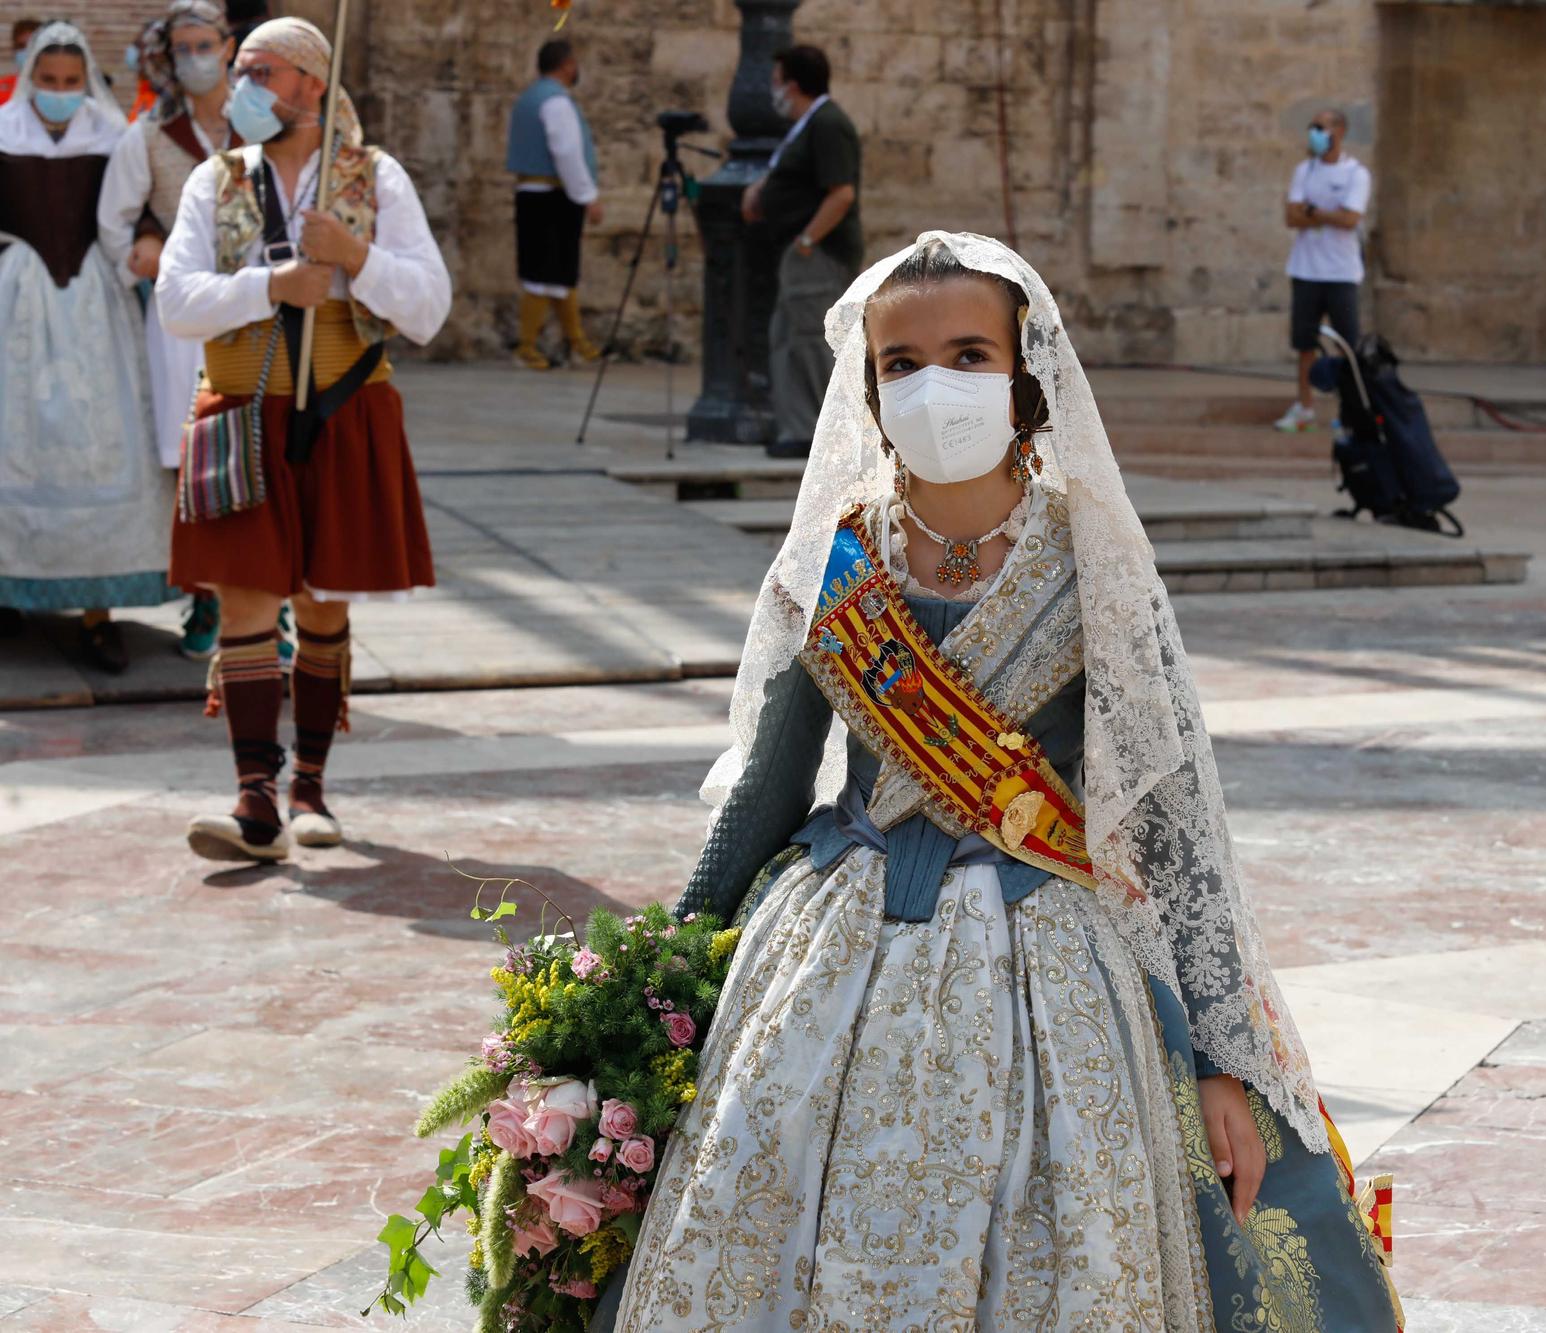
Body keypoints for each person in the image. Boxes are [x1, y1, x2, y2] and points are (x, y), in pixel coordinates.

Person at [596, 233, 1401, 1331]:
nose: (938, 386)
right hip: (831, 949)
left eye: (970, 354)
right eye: (903, 363)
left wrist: (1225, 1065)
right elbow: (767, 795)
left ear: (1026, 375)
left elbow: (1177, 833)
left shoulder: (1094, 564)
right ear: (870, 391)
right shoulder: (834, 563)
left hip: (1043, 958)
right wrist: (643, 993)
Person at [157, 16, 450, 861]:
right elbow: (177, 301)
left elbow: (429, 307)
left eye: (262, 71)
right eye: (239, 69)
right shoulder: (213, 183)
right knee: (244, 603)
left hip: (343, 413)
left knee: (323, 602)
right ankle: (254, 800)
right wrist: (271, 283)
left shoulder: (374, 176)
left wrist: (354, 254)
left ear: (312, 85)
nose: (241, 83)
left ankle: (310, 788)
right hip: (241, 413)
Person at [0, 21, 172, 671]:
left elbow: (142, 203)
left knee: (99, 448)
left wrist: (149, 238)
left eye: (71, 82)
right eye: (48, 81)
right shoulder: (2, 132)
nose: (60, 92)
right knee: (13, 448)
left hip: (95, 305)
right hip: (14, 303)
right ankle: (9, 588)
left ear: (87, 81)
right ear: (29, 77)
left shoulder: (115, 137)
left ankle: (99, 613)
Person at [98, 0, 241, 661]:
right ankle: (208, 594)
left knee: (266, 453)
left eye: (204, 43)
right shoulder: (152, 133)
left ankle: (269, 597)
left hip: (260, 310)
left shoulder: (267, 126)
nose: (194, 58)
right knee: (193, 461)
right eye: (182, 48)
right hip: (182, 323)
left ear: (230, 44)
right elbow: (115, 217)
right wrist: (142, 250)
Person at [744, 43, 861, 459]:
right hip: (799, 253)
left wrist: (808, 241)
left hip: (817, 254)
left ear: (792, 85)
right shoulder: (807, 126)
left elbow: (841, 193)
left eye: (776, 82)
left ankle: (822, 434)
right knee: (788, 338)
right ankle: (798, 429)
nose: (773, 92)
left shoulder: (829, 124)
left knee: (811, 341)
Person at [507, 37, 601, 370]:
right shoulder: (556, 102)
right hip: (552, 196)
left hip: (535, 194)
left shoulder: (530, 99)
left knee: (559, 270)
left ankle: (576, 341)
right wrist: (588, 196)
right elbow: (567, 152)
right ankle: (527, 345)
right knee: (545, 269)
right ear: (565, 65)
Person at [1275, 107, 1371, 433]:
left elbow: (1351, 219)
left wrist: (1314, 211)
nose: (1314, 132)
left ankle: (1349, 412)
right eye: (1312, 126)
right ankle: (1304, 408)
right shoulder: (1305, 170)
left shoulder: (1356, 174)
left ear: (1339, 131)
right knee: (1304, 343)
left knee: (1347, 345)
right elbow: (1292, 216)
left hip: (1342, 273)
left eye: (1321, 126)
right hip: (1306, 270)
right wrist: (1328, 213)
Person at [0, 18, 43, 104]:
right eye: (21, 46)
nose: (26, 51)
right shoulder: (2, 87)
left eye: (32, 45)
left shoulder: (55, 91)